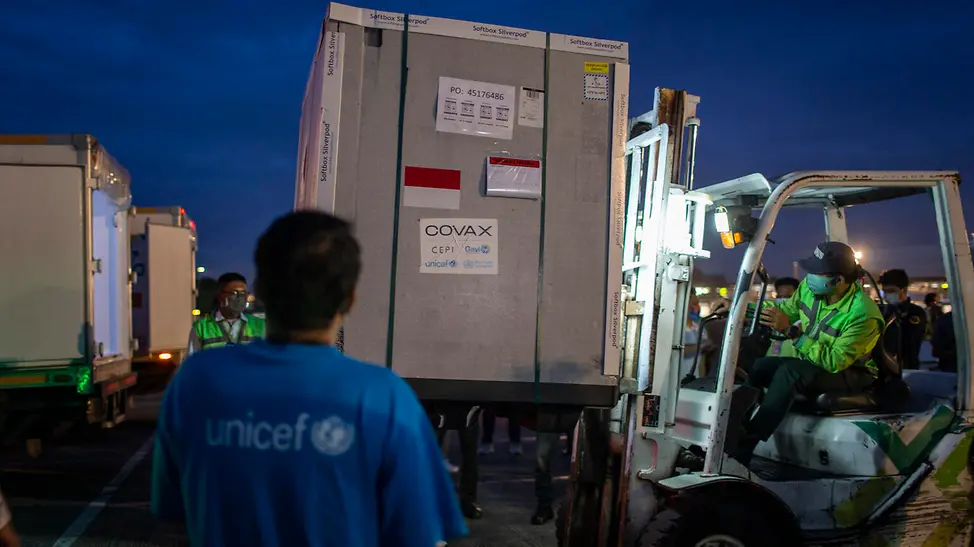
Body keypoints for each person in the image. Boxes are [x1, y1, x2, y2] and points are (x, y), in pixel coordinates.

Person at [151, 211, 467, 546]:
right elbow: (417, 533)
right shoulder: (386, 399)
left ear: (260, 291)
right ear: (350, 299)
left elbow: (177, 506)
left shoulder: (196, 383)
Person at [720, 242, 884, 465]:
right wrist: (738, 307)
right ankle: (731, 425)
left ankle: (747, 443)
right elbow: (785, 310)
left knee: (790, 372)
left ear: (839, 280)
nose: (811, 277)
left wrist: (791, 332)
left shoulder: (863, 314)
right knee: (761, 366)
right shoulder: (810, 287)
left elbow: (834, 361)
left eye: (818, 273)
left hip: (851, 372)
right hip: (813, 362)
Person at [187, 272, 266, 355]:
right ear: (220, 295)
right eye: (235, 293)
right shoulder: (201, 328)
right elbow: (192, 363)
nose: (240, 298)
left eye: (243, 293)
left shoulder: (260, 325)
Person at [878, 269, 927, 370]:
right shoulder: (883, 311)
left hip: (906, 367)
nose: (887, 295)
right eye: (885, 291)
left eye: (891, 291)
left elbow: (910, 340)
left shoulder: (915, 313)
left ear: (903, 290)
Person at [766, 277, 801, 358]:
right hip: (769, 363)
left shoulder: (802, 321)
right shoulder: (771, 318)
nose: (782, 300)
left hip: (791, 363)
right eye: (779, 296)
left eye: (787, 296)